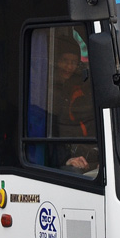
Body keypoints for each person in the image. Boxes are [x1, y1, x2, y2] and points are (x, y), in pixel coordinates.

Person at [51, 42, 98, 173]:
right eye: (64, 61)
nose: (68, 67)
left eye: (73, 62)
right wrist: (64, 159)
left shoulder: (79, 88)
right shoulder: (47, 88)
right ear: (56, 61)